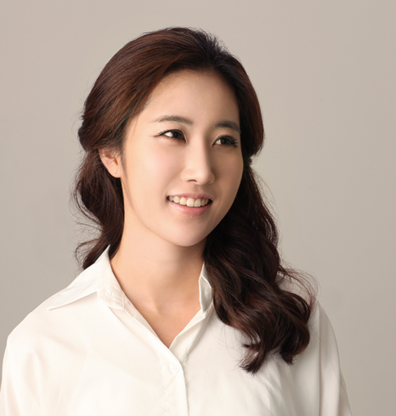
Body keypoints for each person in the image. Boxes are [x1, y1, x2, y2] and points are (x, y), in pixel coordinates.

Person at [0, 27, 352, 415]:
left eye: (224, 140)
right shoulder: (42, 347)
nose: (202, 170)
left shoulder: (290, 323)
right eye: (174, 134)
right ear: (111, 153)